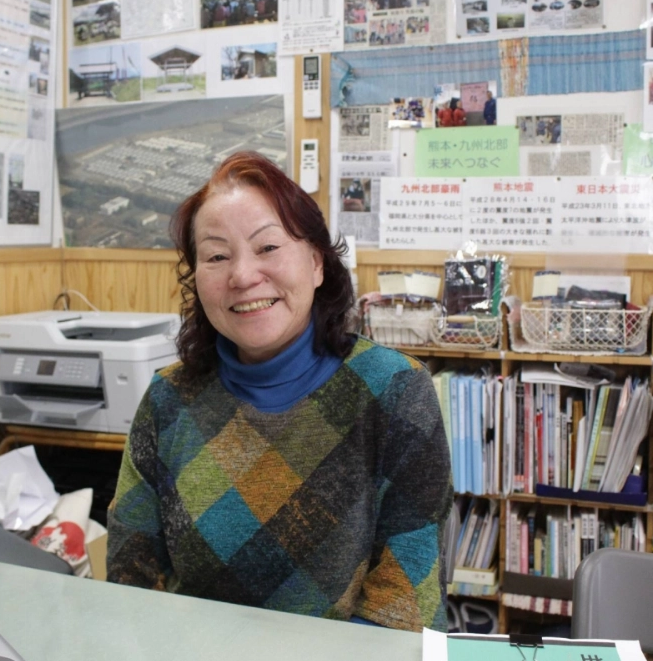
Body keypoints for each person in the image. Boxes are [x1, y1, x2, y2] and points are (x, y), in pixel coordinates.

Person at [107, 151, 453, 632]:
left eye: (267, 247)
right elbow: (131, 574)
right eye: (216, 256)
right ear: (196, 281)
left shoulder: (394, 390)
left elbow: (406, 605)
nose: (243, 276)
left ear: (316, 263)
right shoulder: (168, 399)